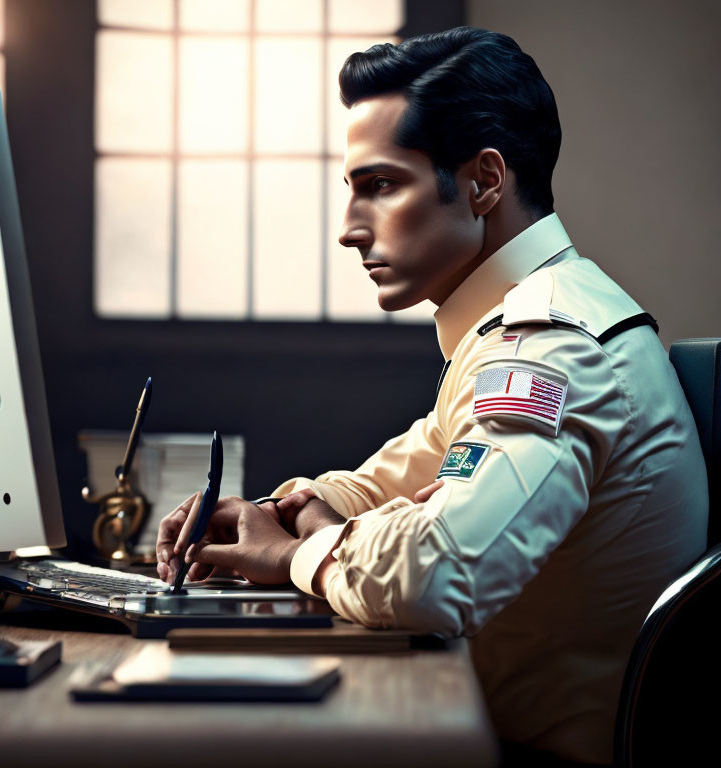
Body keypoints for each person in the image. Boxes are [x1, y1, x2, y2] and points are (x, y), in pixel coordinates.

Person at [156, 27, 708, 765]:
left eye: (380, 186)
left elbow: (436, 572)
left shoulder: (553, 345)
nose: (351, 229)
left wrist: (292, 554)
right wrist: (278, 512)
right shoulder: (514, 326)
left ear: (483, 181)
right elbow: (406, 474)